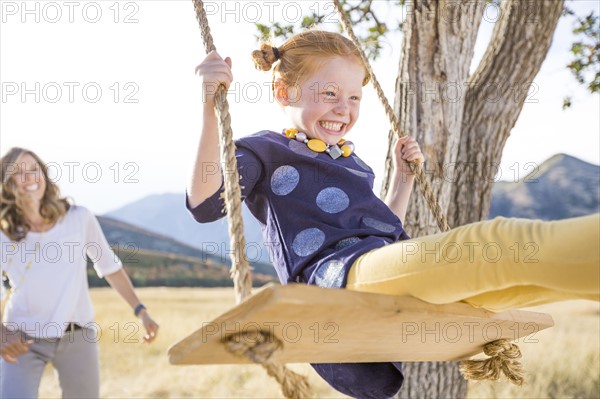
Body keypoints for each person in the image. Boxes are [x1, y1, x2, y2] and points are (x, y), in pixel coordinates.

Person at [187, 30, 599, 398]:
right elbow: (206, 203)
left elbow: (381, 229)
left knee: (523, 279)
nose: (343, 110)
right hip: (337, 280)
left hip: (377, 267)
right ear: (284, 91)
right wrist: (209, 108)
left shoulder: (354, 163)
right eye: (329, 93)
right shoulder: (265, 151)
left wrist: (402, 181)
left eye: (353, 98)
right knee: (500, 243)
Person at [0, 148, 160, 398]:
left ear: (44, 174)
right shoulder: (4, 233)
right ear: (7, 185)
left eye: (34, 169)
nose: (29, 177)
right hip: (22, 338)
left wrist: (141, 311)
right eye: (18, 173)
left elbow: (110, 267)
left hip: (77, 335)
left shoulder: (78, 219)